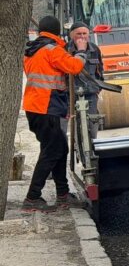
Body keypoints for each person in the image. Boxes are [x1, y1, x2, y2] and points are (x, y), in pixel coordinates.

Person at [22, 16, 89, 212]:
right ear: (57, 31)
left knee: (59, 149)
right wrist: (82, 52)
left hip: (35, 109)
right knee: (52, 152)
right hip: (47, 109)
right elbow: (75, 67)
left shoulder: (30, 51)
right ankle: (32, 198)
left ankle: (63, 194)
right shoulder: (52, 50)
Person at [65, 22, 105, 139]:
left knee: (92, 125)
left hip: (91, 93)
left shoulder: (95, 49)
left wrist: (98, 88)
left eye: (84, 33)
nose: (82, 37)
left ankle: (91, 148)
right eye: (78, 34)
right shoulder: (65, 49)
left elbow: (100, 71)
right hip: (70, 94)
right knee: (72, 126)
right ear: (72, 35)